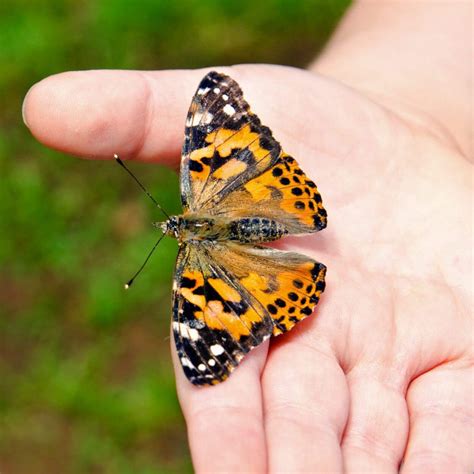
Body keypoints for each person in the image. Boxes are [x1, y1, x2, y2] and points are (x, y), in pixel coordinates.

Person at [22, 1, 472, 472]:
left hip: (261, 235)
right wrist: (419, 104)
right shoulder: (203, 177)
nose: (170, 229)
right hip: (269, 194)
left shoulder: (192, 274)